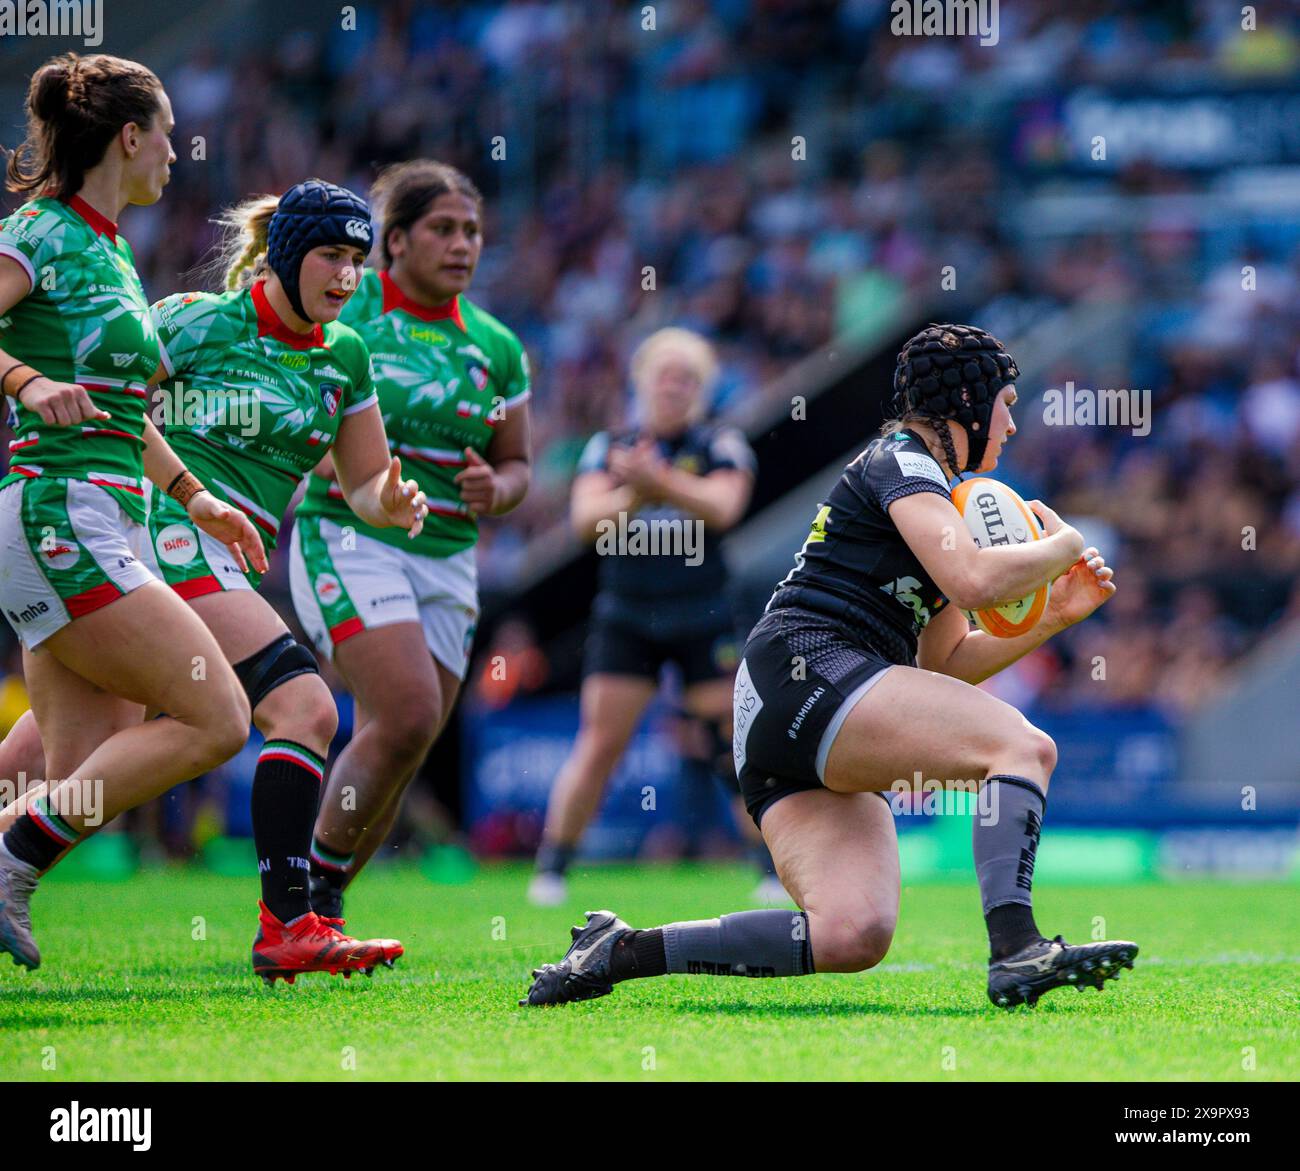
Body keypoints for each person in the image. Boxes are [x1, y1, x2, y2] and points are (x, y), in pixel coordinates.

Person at [522, 323, 1138, 1010]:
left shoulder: (931, 493)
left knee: (853, 933)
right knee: (1023, 746)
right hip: (809, 668)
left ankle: (620, 950)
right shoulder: (904, 460)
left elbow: (947, 662)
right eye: (1008, 402)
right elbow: (972, 579)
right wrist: (1072, 541)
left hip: (788, 706)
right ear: (968, 399)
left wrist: (1054, 615)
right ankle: (1018, 947)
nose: (1014, 422)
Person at [1, 178, 431, 984]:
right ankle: (290, 924)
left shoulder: (345, 355)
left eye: (357, 260)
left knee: (61, 768)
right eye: (331, 256)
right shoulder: (194, 322)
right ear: (286, 254)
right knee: (302, 706)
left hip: (226, 560)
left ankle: (12, 849)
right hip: (160, 540)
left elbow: (366, 481)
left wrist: (391, 499)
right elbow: (115, 402)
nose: (346, 276)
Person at [0, 54, 262, 971]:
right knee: (218, 718)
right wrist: (26, 383)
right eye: (168, 135)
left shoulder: (109, 245)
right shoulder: (37, 230)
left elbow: (125, 411)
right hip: (57, 512)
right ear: (130, 136)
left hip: (97, 512)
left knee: (70, 771)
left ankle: (10, 847)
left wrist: (198, 496)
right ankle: (8, 864)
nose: (177, 157)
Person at [288, 160, 530, 922]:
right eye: (443, 229)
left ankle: (321, 919)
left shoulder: (497, 347)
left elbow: (517, 464)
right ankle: (301, 896)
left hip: (450, 557)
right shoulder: (347, 314)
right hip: (350, 535)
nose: (463, 245)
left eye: (473, 232)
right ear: (394, 240)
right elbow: (299, 410)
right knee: (408, 714)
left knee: (404, 747)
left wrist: (500, 489)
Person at [527, 327, 771, 909]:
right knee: (602, 742)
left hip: (702, 613)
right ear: (642, 382)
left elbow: (724, 506)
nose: (675, 388)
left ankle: (768, 866)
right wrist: (638, 491)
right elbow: (587, 521)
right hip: (627, 614)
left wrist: (655, 480)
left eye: (687, 379)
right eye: (665, 376)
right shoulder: (608, 447)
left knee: (730, 743)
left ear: (703, 389)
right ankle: (553, 867)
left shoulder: (722, 444)